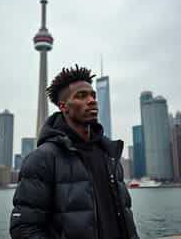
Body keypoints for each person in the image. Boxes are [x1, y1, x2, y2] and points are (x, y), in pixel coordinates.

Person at [10, 64, 139, 239]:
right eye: (82, 96)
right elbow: (24, 228)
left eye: (93, 95)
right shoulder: (42, 159)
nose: (92, 100)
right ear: (64, 107)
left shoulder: (110, 156)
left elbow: (125, 217)